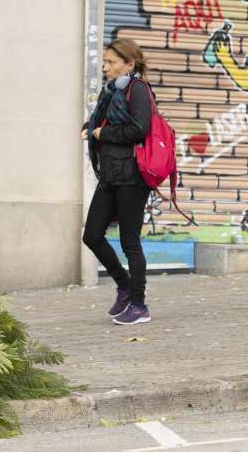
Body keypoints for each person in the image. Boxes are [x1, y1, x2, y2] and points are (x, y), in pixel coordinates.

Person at [82, 38, 153, 325]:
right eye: (105, 62)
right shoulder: (111, 92)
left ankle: (139, 305)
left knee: (130, 242)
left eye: (111, 62)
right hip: (110, 173)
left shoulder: (138, 89)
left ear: (130, 64)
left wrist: (102, 134)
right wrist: (91, 128)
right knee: (92, 235)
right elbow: (109, 125)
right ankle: (124, 285)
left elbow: (139, 129)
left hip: (132, 177)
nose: (106, 68)